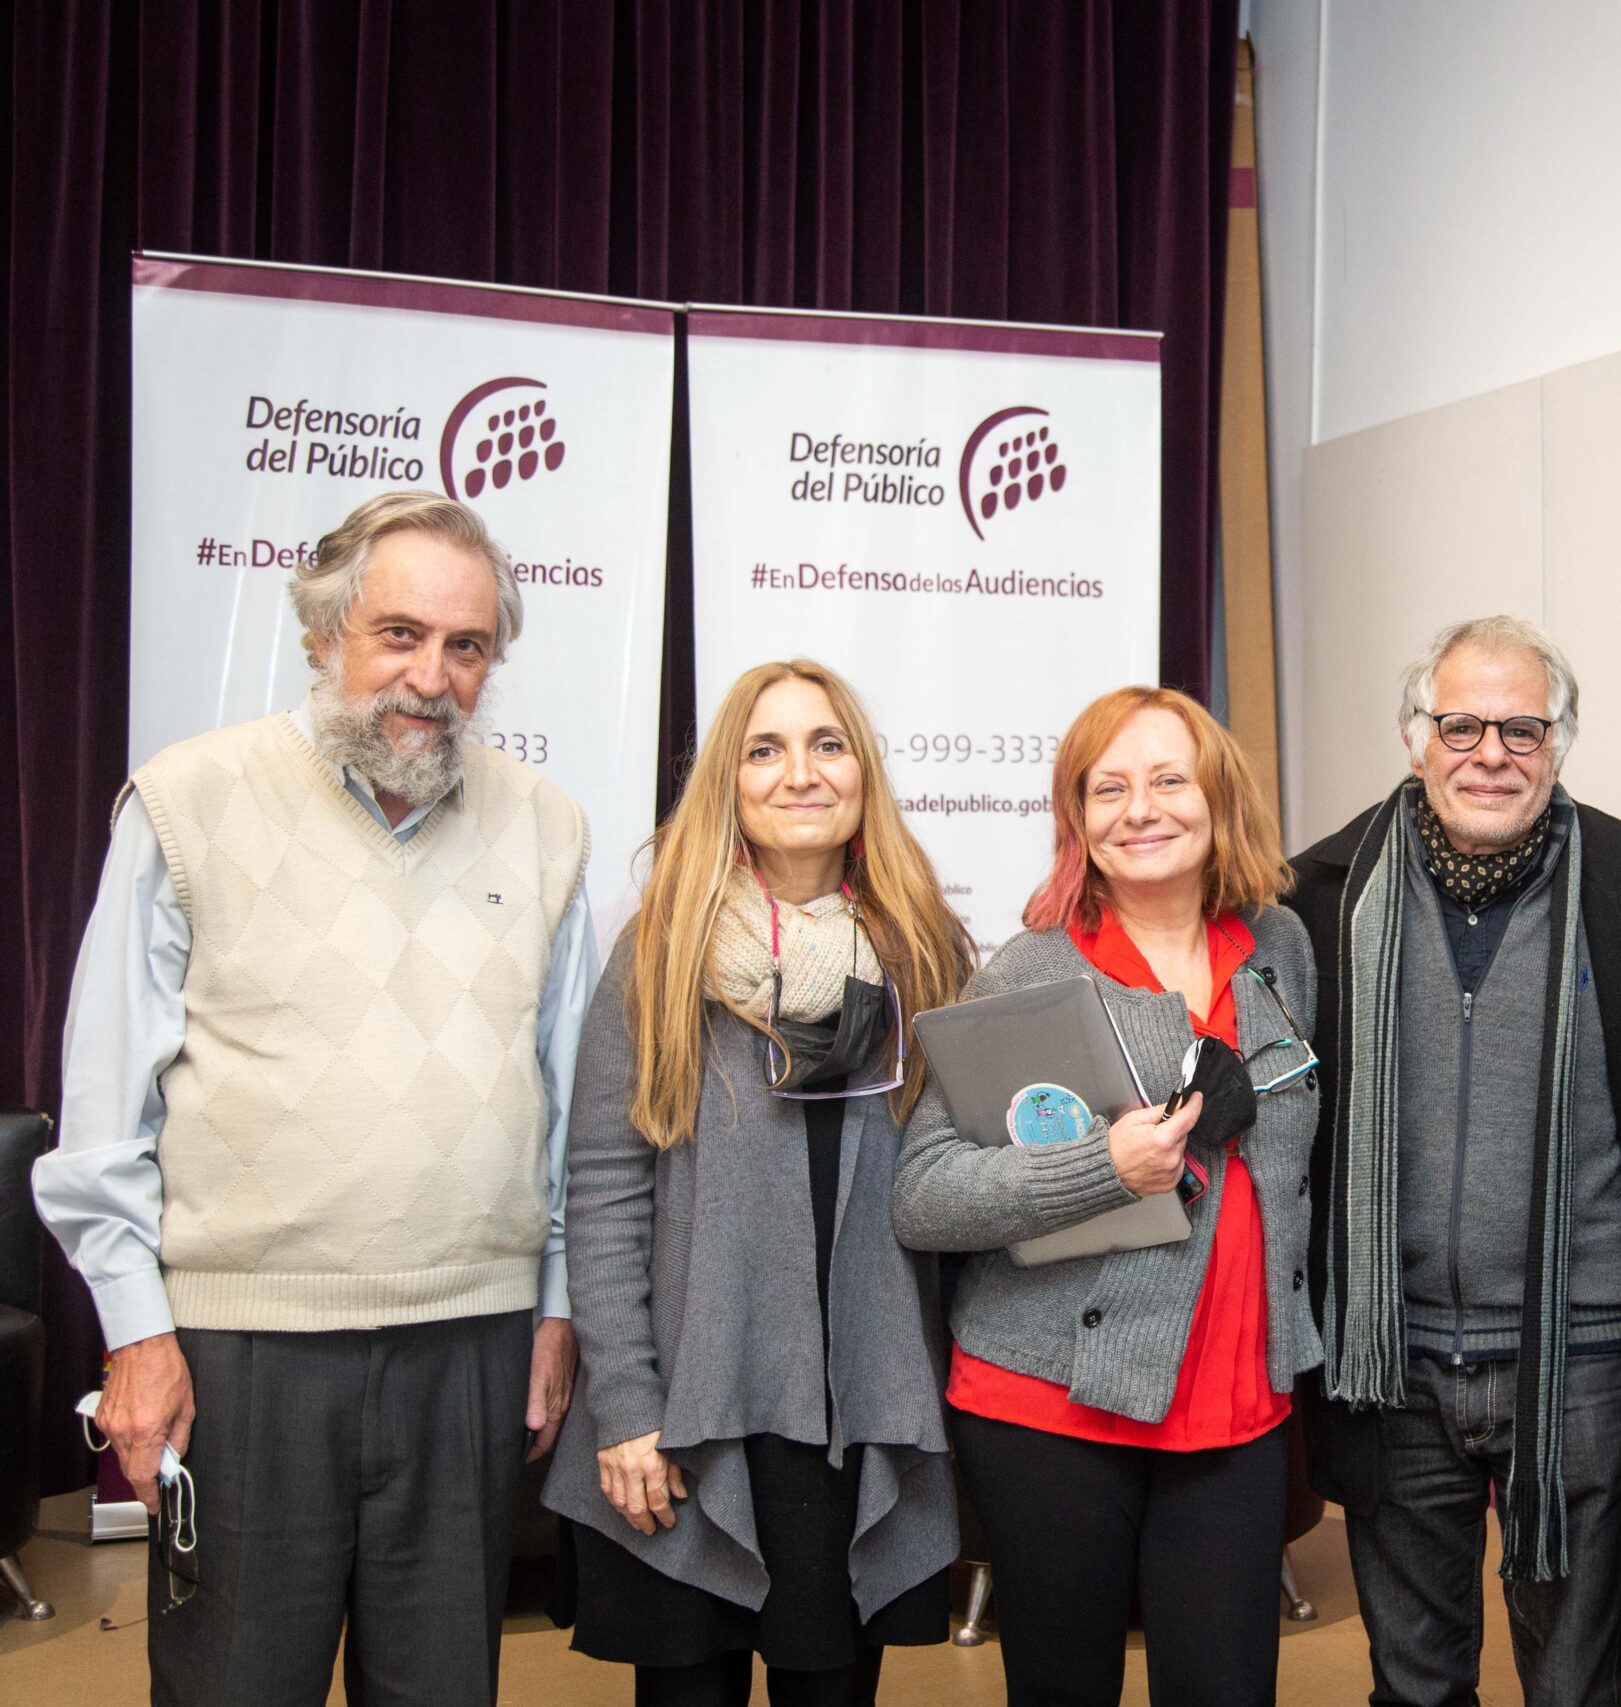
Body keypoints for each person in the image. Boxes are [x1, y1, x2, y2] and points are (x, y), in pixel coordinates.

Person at [35, 491, 595, 1706]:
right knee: (238, 1685)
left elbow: (568, 1108)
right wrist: (136, 1333)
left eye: (466, 647)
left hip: (474, 1345)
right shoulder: (187, 804)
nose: (430, 677)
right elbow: (102, 1112)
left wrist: (556, 1308)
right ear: (325, 632)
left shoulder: (546, 827)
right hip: (245, 1351)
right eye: (398, 634)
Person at [1283, 615, 1621, 1707]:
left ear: (1561, 742)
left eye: (1521, 728)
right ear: (1412, 736)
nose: (1491, 753)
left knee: (1575, 1682)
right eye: (1461, 725)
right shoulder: (1318, 897)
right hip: (1392, 1359)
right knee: (1415, 1682)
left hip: (1584, 1360)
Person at [543, 660, 971, 1706]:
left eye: (827, 745)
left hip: (852, 1407)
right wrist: (628, 1408)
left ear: (862, 775)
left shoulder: (925, 956)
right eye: (764, 750)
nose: (800, 774)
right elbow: (603, 1189)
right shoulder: (662, 953)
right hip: (692, 1408)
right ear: (727, 783)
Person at [892, 685, 1319, 1707]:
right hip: (1052, 1407)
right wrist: (1100, 1167)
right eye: (1108, 787)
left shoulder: (1281, 953)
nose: (1142, 808)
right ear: (1077, 817)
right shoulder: (1029, 975)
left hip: (1240, 1405)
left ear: (1218, 800)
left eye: (1169, 779)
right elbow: (922, 1193)